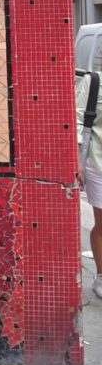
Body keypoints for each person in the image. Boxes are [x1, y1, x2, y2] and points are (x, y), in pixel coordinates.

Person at [77, 70, 102, 298]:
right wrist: (77, 160)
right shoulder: (94, 81)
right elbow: (77, 117)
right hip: (98, 161)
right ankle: (101, 276)